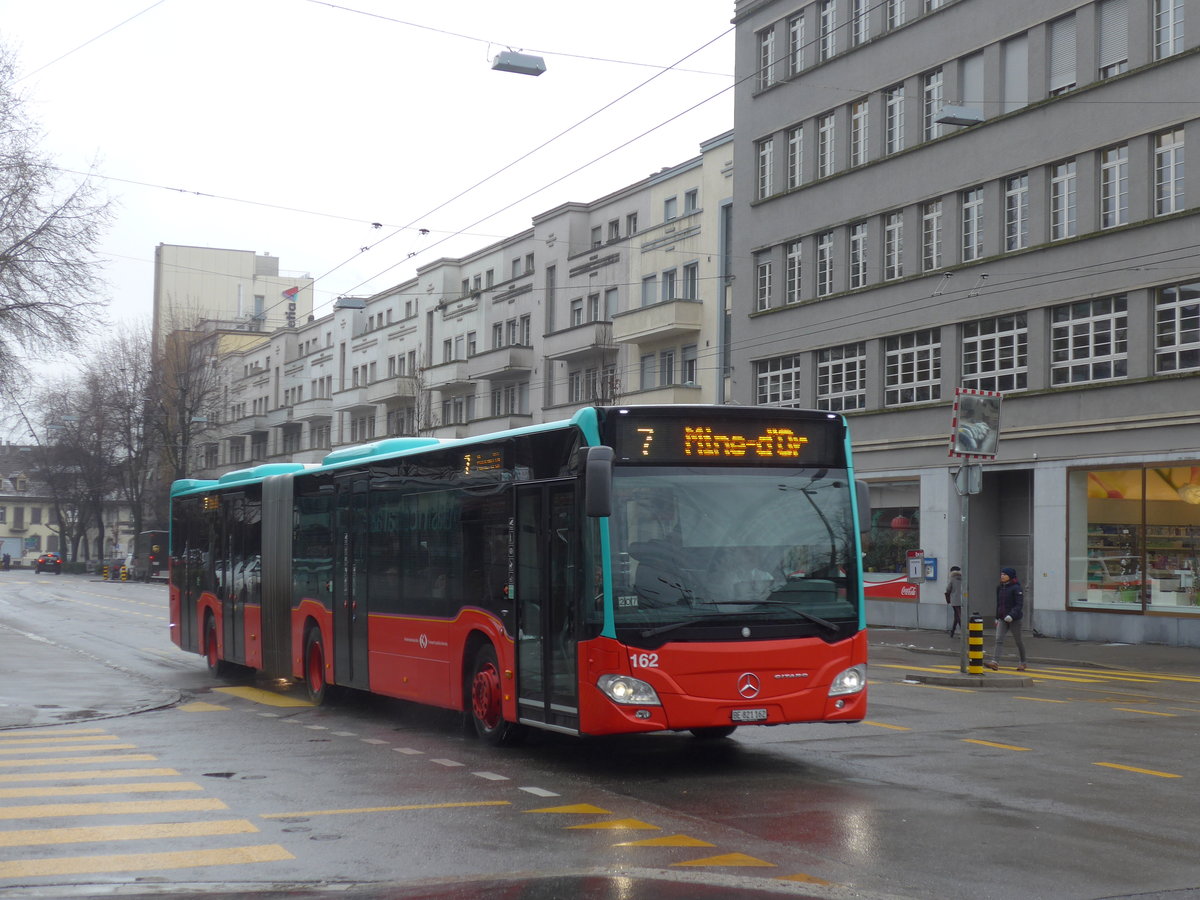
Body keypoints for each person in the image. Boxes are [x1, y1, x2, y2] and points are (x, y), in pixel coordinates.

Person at [986, 566, 1027, 671]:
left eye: (1005, 574)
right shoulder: (1000, 588)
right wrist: (996, 617)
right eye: (1001, 574)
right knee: (998, 640)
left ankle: (1023, 662)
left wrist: (1011, 615)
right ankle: (995, 662)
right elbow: (999, 604)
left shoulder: (1016, 588)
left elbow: (1019, 605)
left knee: (1018, 641)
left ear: (1010, 576)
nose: (1002, 576)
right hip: (1002, 619)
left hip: (1014, 619)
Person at [944, 565, 963, 638]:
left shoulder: (952, 579)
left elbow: (948, 589)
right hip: (961, 599)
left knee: (958, 616)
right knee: (956, 615)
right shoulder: (962, 578)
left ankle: (963, 632)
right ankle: (952, 632)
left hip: (954, 599)